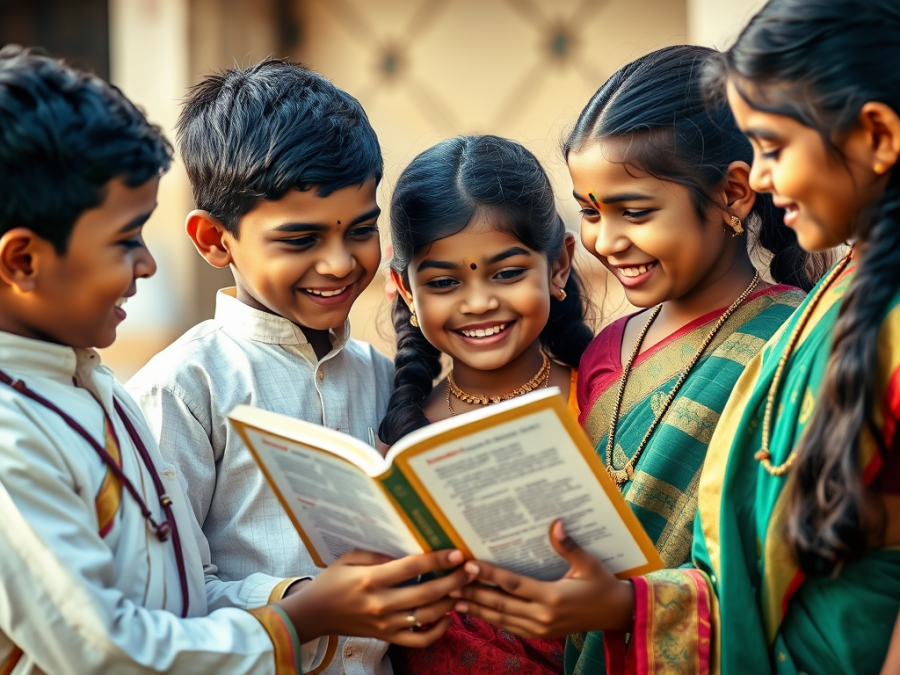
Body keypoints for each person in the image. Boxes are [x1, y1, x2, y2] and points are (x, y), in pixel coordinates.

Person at [450, 1, 900, 673]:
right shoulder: (841, 302)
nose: (768, 176)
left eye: (774, 148)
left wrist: (625, 607)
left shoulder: (818, 326)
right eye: (592, 214)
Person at [0, 45, 468, 675]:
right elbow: (149, 618)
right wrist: (300, 605)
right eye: (301, 239)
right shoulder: (181, 386)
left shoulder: (386, 378)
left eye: (360, 229)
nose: (338, 262)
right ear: (215, 241)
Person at [562, 44, 822, 672]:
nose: (606, 240)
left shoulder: (797, 342)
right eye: (589, 211)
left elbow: (786, 570)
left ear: (734, 194)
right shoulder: (603, 353)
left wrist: (627, 605)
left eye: (636, 211)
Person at [380, 135, 593, 675]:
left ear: (560, 266)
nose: (478, 303)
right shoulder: (399, 434)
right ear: (405, 291)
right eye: (445, 282)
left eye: (507, 273)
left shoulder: (605, 400)